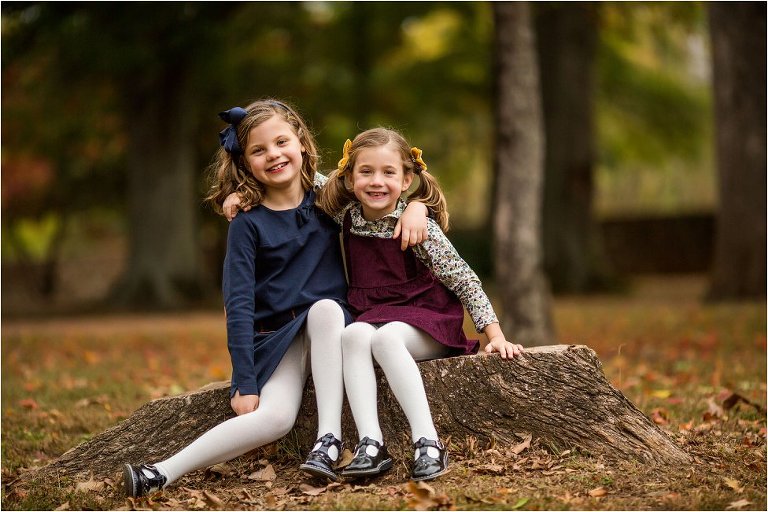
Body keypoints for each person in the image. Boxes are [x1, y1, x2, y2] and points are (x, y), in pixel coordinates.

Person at [122, 100, 429, 497]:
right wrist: (244, 380)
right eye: (258, 150)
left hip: (331, 331)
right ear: (244, 162)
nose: (273, 155)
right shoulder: (247, 223)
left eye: (281, 142)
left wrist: (419, 207)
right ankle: (160, 472)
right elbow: (239, 304)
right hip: (278, 338)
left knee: (326, 309)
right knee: (276, 419)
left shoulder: (330, 201)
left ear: (301, 142)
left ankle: (328, 438)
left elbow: (383, 192)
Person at [314, 128, 525, 482]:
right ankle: (371, 444)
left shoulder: (417, 225)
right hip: (375, 316)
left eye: (388, 173)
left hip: (429, 321)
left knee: (385, 340)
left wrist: (495, 334)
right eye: (365, 172)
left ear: (407, 178)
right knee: (351, 336)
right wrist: (243, 192)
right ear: (349, 178)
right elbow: (304, 177)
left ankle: (427, 441)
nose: (376, 181)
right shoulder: (347, 216)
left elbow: (464, 278)